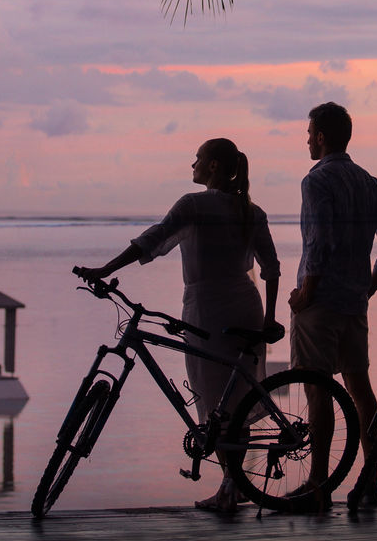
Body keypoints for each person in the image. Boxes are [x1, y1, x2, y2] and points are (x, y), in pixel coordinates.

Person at [74, 137, 282, 513]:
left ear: (214, 166)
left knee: (214, 400)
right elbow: (271, 269)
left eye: (198, 159)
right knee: (233, 401)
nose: (193, 165)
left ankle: (230, 488)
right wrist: (268, 318)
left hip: (207, 309)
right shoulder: (253, 211)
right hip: (245, 306)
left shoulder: (194, 205)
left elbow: (152, 239)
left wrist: (106, 269)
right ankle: (231, 487)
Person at [289, 102, 377, 510]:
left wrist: (306, 291)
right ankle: (370, 480)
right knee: (360, 392)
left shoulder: (316, 180)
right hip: (354, 303)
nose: (306, 139)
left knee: (318, 392)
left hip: (320, 303)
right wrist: (368, 288)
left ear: (321, 137)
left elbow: (319, 241)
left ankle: (317, 485)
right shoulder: (368, 182)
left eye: (309, 133)